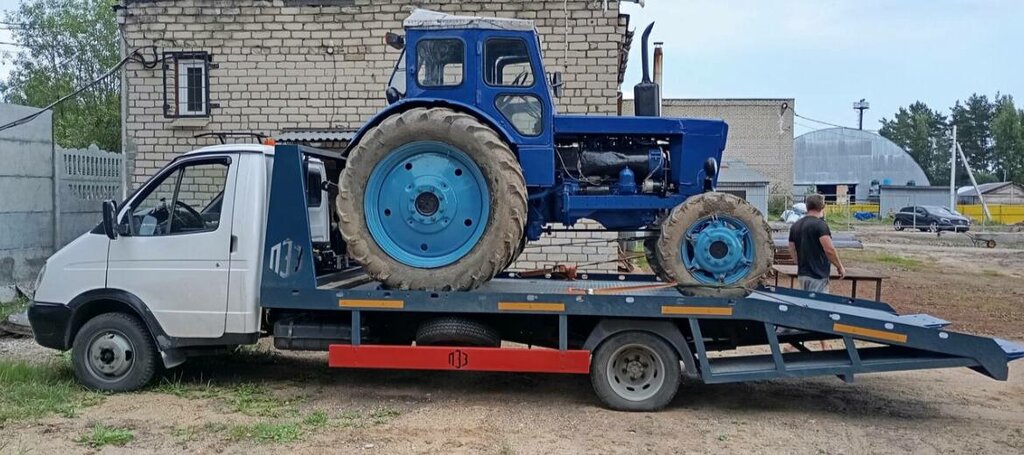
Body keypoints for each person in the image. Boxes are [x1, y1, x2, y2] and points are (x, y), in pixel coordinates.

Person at [788, 194, 845, 293]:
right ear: (822, 207)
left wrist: (799, 263)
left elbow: (791, 248)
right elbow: (829, 250)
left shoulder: (796, 226)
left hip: (803, 274)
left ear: (807, 206)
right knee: (818, 305)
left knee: (805, 302)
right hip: (818, 275)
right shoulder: (820, 225)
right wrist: (839, 266)